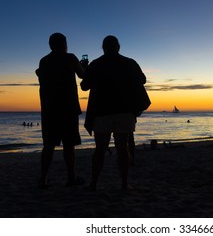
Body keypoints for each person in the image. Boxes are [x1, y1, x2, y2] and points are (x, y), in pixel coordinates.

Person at [81, 35, 147, 190]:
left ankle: (93, 183)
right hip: (124, 111)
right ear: (118, 47)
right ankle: (124, 184)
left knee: (100, 150)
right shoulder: (129, 63)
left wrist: (85, 69)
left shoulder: (96, 65)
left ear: (103, 47)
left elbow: (84, 86)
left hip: (101, 112)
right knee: (122, 148)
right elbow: (142, 80)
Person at [36, 32, 85, 189]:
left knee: (48, 145)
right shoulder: (70, 58)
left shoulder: (44, 61)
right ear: (64, 44)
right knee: (69, 145)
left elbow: (42, 79)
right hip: (68, 109)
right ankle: (71, 178)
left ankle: (43, 179)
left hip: (49, 110)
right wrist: (84, 66)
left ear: (50, 45)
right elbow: (83, 75)